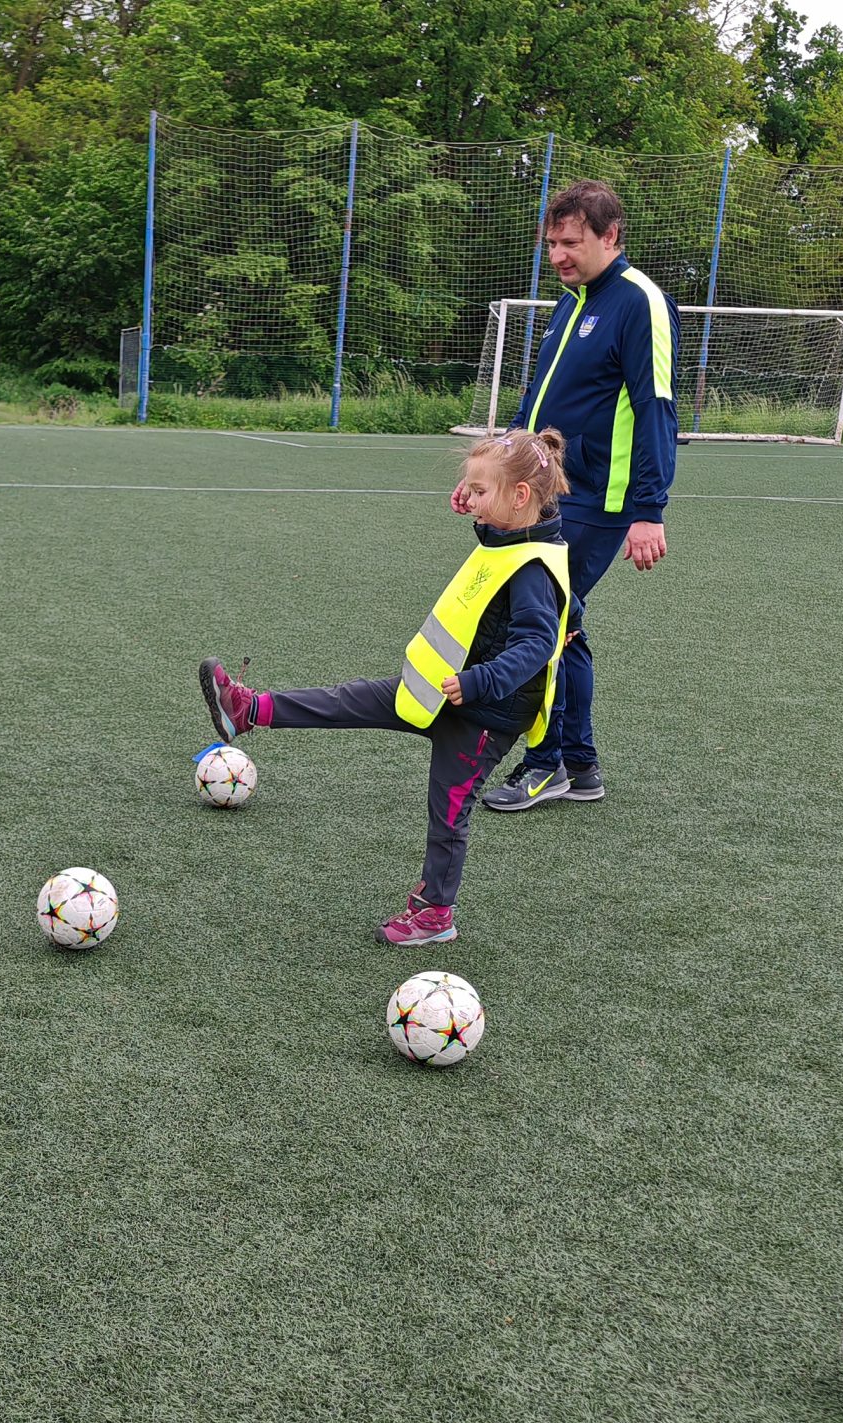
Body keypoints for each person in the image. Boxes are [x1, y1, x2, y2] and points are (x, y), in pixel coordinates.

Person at [197, 431, 574, 947]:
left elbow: (534, 644)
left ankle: (435, 914)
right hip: (438, 689)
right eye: (468, 488)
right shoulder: (515, 538)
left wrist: (477, 682)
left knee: (448, 813)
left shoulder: (532, 566)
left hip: (482, 713)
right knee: (348, 700)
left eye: (479, 491)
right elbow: (526, 581)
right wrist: (481, 507)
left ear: (520, 496)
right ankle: (247, 710)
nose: (469, 499)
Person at [453, 180, 677, 812]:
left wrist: (648, 510)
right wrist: (489, 474)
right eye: (551, 243)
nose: (558, 255)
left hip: (600, 499)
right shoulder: (570, 302)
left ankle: (547, 762)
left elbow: (657, 408)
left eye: (571, 242)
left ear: (611, 236)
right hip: (551, 493)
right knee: (562, 624)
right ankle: (578, 766)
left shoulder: (640, 303)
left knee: (541, 623)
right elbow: (536, 404)